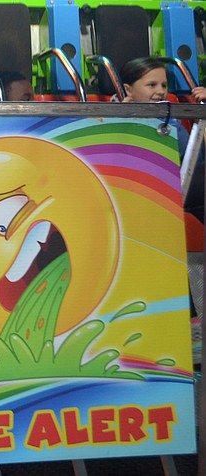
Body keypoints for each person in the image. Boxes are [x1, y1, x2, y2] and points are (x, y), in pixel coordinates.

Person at [118, 57, 206, 364]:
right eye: (151, 85)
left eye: (164, 85)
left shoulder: (168, 118)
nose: (159, 92)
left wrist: (200, 115)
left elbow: (194, 161)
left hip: (165, 198)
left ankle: (188, 326)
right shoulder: (111, 114)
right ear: (129, 89)